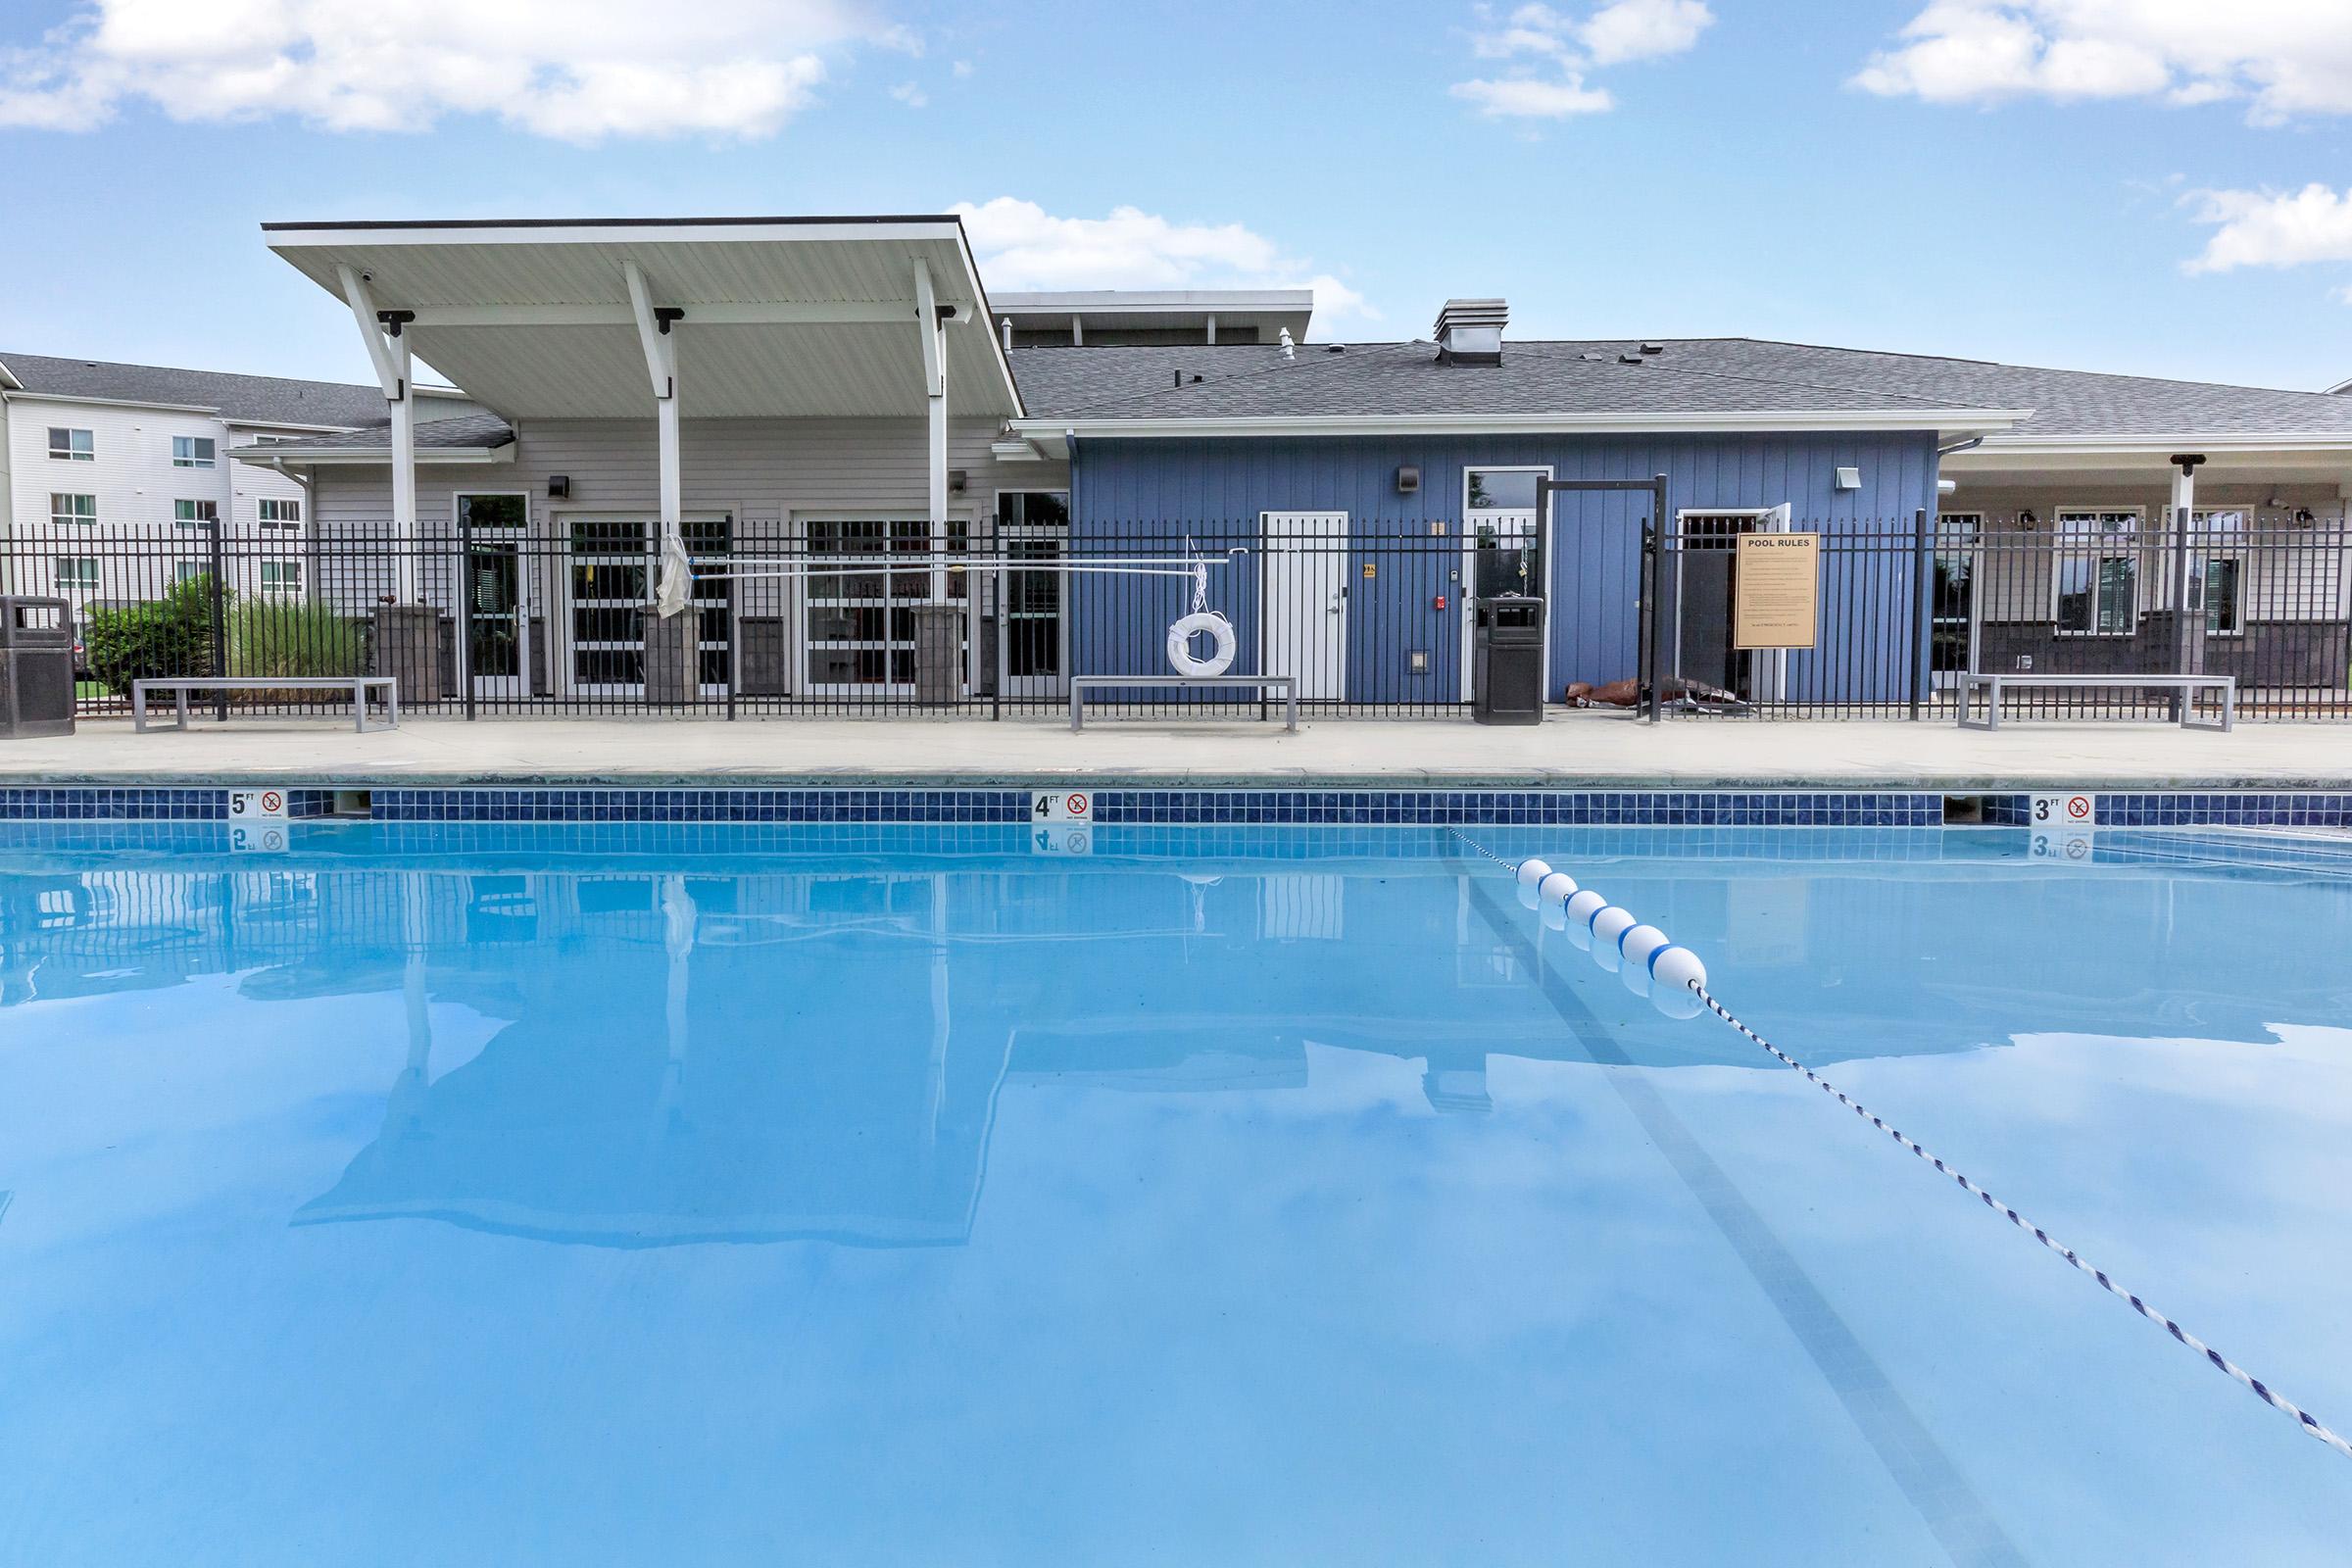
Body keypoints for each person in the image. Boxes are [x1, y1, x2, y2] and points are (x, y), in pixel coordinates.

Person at [1564, 676, 1748, 711]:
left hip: (1642, 687)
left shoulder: (1599, 693)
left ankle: (1732, 701)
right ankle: (1732, 702)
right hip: (1641, 688)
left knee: (1687, 687)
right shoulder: (1598, 694)